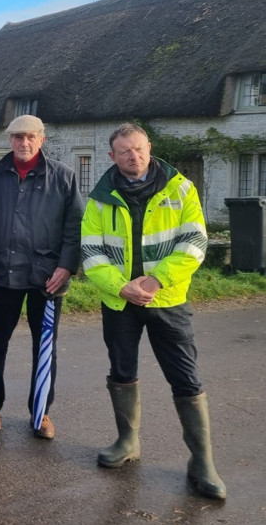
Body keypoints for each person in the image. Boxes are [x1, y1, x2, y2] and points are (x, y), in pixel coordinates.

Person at [81, 123, 226, 499]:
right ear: (112, 156)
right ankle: (127, 443)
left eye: (140, 148)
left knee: (186, 379)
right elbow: (91, 252)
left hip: (168, 300)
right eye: (125, 151)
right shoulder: (99, 198)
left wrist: (156, 280)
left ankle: (202, 462)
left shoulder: (181, 188)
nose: (134, 156)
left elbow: (194, 241)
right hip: (119, 302)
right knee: (122, 372)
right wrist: (121, 286)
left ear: (150, 148)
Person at [0, 115, 83, 440]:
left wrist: (66, 266)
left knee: (45, 346)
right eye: (17, 137)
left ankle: (41, 411)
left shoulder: (63, 177)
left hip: (47, 278)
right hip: (2, 275)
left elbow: (74, 227)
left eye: (30, 137)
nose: (24, 143)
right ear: (10, 140)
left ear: (41, 139)